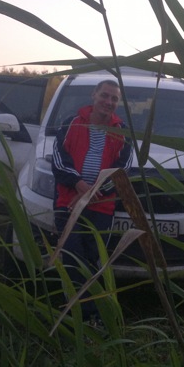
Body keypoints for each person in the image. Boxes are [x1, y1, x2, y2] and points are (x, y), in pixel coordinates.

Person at [52, 79, 132, 322]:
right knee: (72, 255)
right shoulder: (71, 123)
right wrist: (79, 184)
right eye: (104, 96)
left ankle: (93, 313)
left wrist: (94, 190)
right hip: (69, 202)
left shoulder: (122, 131)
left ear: (117, 103)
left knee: (94, 257)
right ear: (94, 95)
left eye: (114, 99)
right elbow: (58, 159)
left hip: (102, 205)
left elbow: (123, 169)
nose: (108, 102)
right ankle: (75, 311)